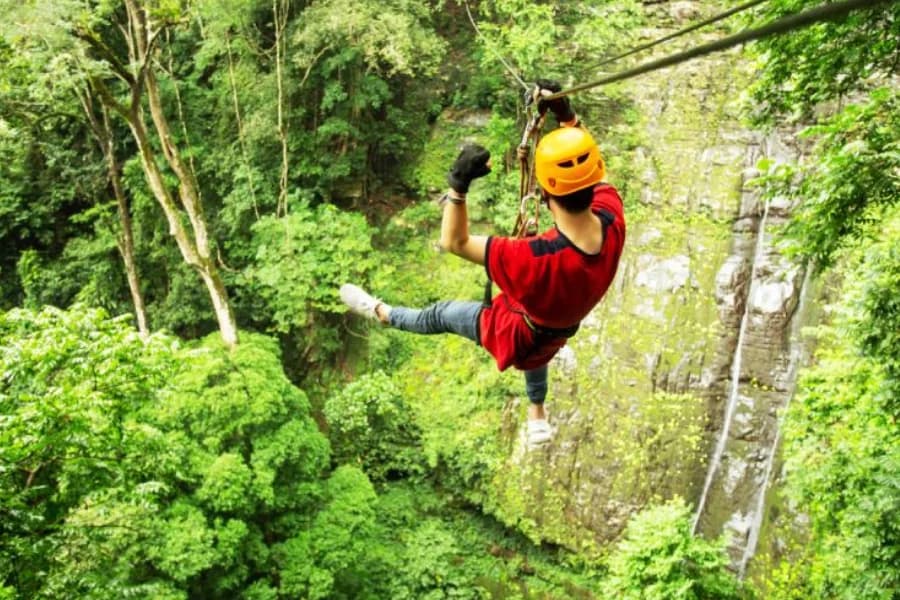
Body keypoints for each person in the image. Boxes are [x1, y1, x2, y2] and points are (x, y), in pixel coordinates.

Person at [340, 81, 626, 448]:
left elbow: (454, 242)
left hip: (515, 331)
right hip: (554, 325)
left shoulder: (533, 259)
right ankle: (537, 412)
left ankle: (381, 312)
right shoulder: (612, 220)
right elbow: (593, 172)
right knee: (539, 344)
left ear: (543, 193)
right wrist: (567, 118)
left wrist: (457, 186)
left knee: (440, 315)